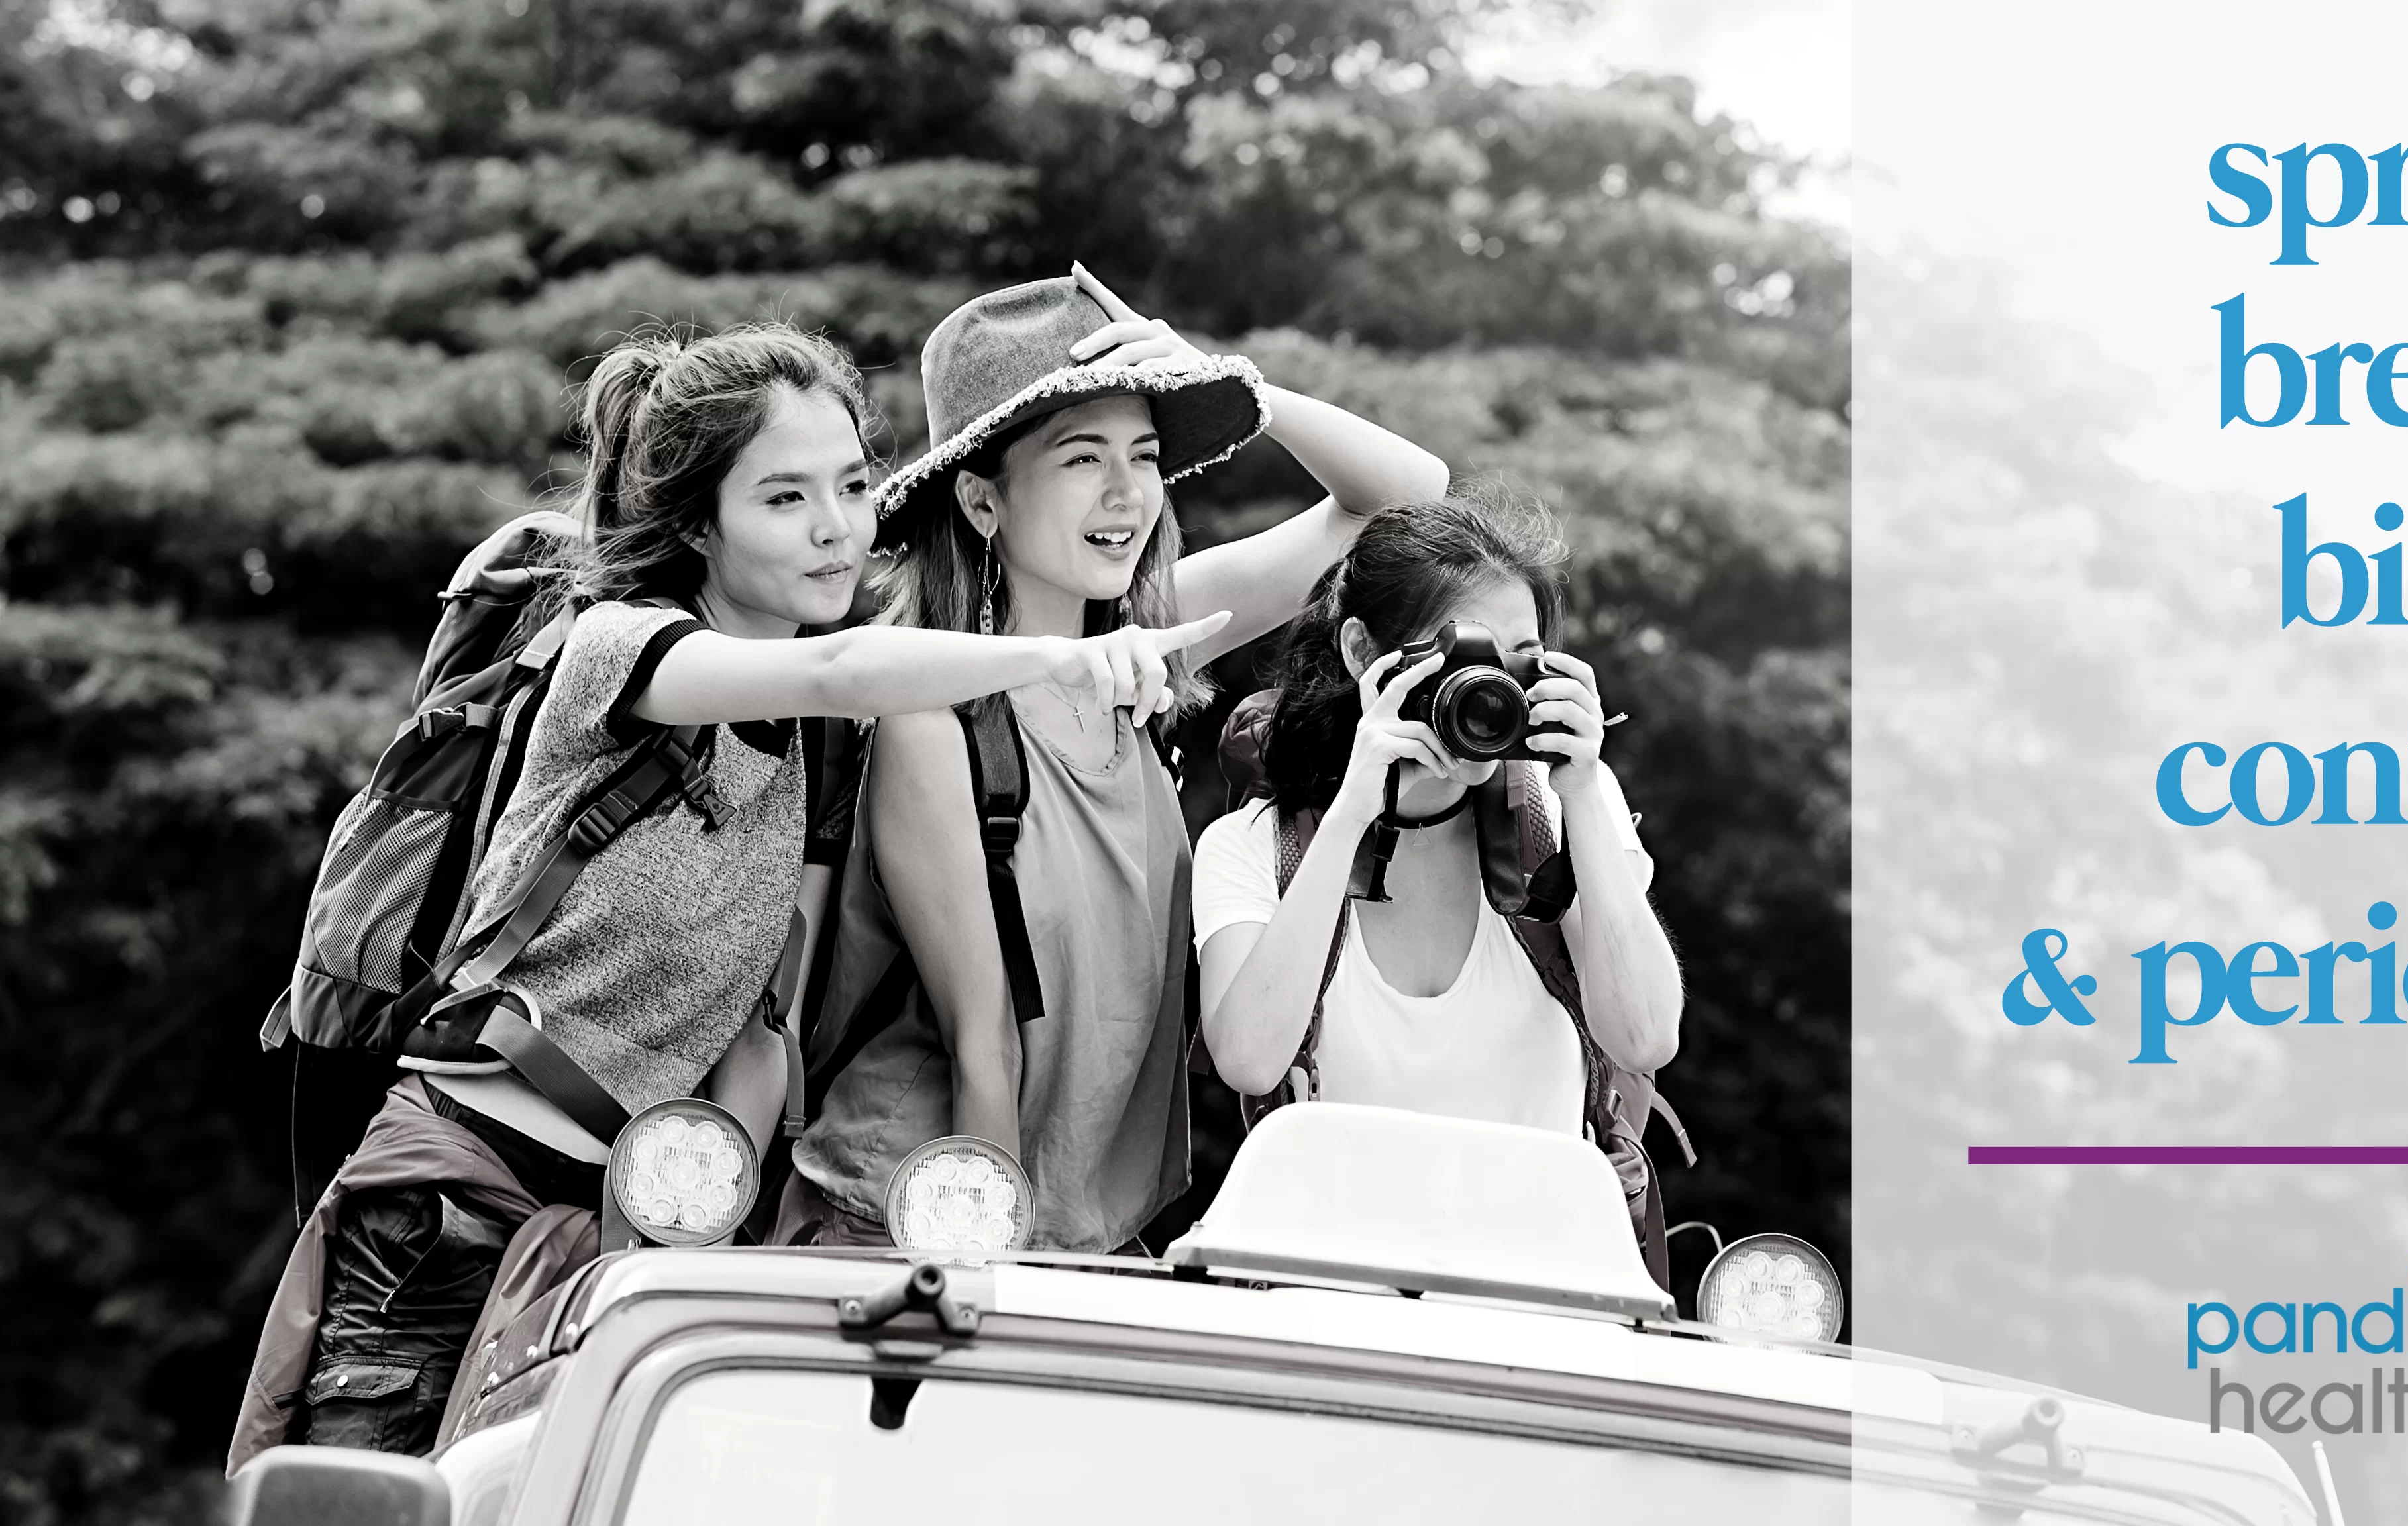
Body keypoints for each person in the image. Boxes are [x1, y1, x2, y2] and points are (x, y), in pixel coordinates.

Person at [231, 322, 1224, 1466]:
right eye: (786, 497)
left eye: (854, 486)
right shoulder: (615, 649)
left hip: (639, 1228)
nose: (837, 526)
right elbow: (846, 664)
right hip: (463, 1193)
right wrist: (1058, 659)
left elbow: (764, 1029)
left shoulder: (818, 743)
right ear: (698, 524)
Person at [782, 266, 1451, 1252]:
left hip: (1082, 1238)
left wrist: (1233, 381)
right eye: (1082, 457)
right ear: (980, 502)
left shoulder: (1155, 644)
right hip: (923, 1227)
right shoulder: (935, 715)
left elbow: (1405, 500)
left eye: (1145, 454)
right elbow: (985, 1048)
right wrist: (994, 1283)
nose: (1127, 492)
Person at [1190, 493, 1681, 1137]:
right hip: (1335, 1239)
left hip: (1541, 1236)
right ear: (1362, 651)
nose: (1491, 692)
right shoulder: (1255, 845)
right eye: (1460, 658)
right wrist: (1349, 815)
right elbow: (1249, 1062)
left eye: (1516, 660)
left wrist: (1583, 793)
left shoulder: (1563, 815)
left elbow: (1644, 1040)